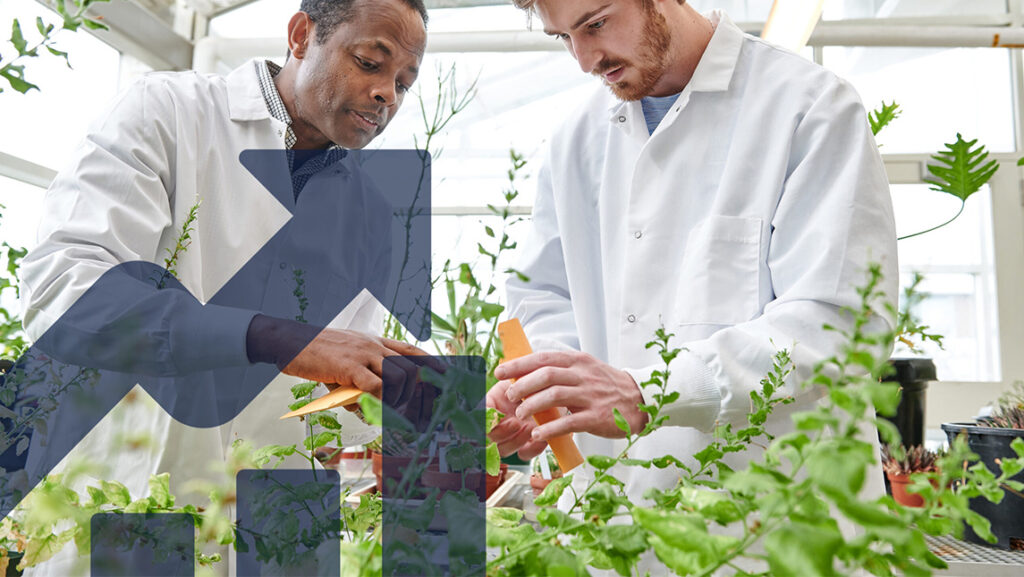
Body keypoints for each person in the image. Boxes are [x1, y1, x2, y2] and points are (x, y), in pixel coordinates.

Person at [17, 0, 430, 574]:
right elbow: (66, 294)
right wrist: (278, 338)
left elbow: (328, 395)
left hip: (276, 530)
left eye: (405, 84)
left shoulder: (372, 213)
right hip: (130, 495)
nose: (387, 94)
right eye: (369, 62)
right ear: (302, 34)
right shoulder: (169, 114)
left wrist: (413, 401)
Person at [488, 0, 897, 521]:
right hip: (619, 518)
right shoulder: (577, 140)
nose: (585, 59)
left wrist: (648, 392)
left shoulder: (809, 107)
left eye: (595, 24)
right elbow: (545, 292)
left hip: (773, 522)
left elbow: (839, 322)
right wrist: (553, 388)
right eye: (563, 38)